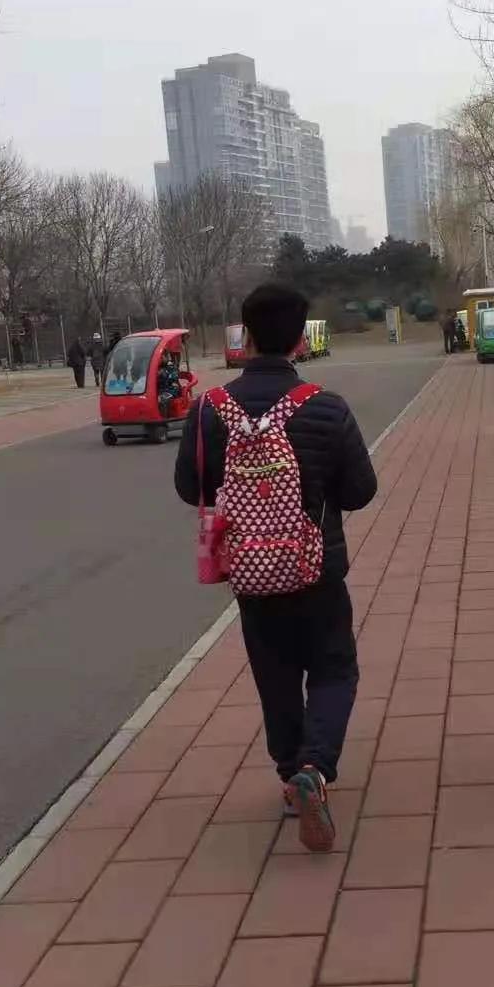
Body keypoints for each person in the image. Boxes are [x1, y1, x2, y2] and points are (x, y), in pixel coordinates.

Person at [175, 283, 377, 852]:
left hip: (250, 574)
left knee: (275, 674)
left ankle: (292, 779)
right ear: (297, 337)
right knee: (336, 669)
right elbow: (361, 491)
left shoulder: (209, 410)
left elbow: (189, 487)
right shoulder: (326, 406)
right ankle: (316, 766)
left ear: (247, 334)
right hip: (316, 569)